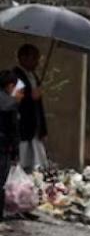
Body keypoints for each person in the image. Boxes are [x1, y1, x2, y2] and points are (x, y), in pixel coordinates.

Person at [14, 44, 48, 172]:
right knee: (22, 164)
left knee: (37, 166)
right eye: (34, 58)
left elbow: (39, 106)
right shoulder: (15, 76)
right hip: (22, 128)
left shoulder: (34, 77)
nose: (37, 63)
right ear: (23, 58)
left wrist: (43, 130)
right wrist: (29, 96)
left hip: (35, 128)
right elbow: (14, 100)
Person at [0, 70, 22, 221]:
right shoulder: (10, 104)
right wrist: (15, 153)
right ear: (10, 86)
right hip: (3, 147)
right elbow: (13, 130)